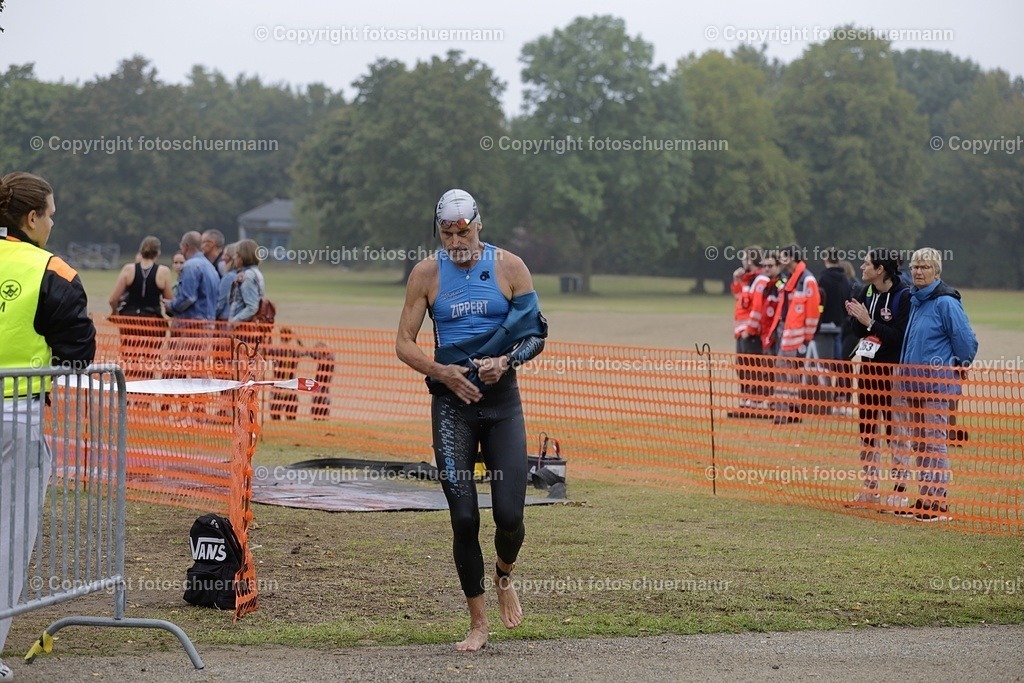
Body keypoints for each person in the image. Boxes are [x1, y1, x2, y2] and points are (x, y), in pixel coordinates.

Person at [396, 189, 547, 652]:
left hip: (502, 405)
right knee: (464, 518)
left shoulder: (509, 267)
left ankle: (504, 575)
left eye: (464, 231)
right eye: (447, 233)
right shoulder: (425, 273)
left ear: (479, 223)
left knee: (509, 515)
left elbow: (537, 333)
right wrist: (440, 371)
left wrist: (506, 362)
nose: (457, 241)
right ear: (438, 231)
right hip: (452, 406)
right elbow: (404, 342)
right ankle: (478, 623)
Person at [1, 171, 96, 680]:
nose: (53, 223)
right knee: (10, 538)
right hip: (16, 415)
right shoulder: (51, 270)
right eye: (51, 214)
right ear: (31, 217)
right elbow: (81, 349)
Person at [894, 248, 978, 521]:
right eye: (915, 266)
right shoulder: (917, 301)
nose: (918, 271)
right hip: (912, 387)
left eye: (925, 267)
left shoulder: (945, 302)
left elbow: (967, 343)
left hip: (936, 387)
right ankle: (924, 496)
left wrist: (954, 369)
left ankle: (937, 500)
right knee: (920, 444)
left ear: (937, 272)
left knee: (934, 442)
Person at [843, 248, 911, 506]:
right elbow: (858, 331)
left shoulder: (903, 296)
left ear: (880, 269)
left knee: (895, 430)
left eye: (866, 263)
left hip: (892, 371)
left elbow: (899, 337)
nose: (861, 267)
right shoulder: (866, 291)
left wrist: (870, 323)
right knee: (867, 428)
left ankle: (899, 489)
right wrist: (857, 318)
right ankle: (870, 487)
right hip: (868, 369)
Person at [763, 244, 820, 424]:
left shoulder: (807, 280)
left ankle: (787, 412)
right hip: (788, 334)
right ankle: (786, 410)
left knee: (789, 374)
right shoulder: (791, 279)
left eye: (783, 257)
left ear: (792, 257)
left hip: (797, 337)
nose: (780, 260)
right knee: (785, 373)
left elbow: (812, 311)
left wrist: (807, 337)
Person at [108, 236, 174, 379]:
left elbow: (113, 299)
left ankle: (129, 394)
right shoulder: (163, 271)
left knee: (129, 358)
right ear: (158, 253)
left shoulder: (128, 269)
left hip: (130, 321)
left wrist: (115, 313)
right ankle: (144, 398)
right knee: (149, 361)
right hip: (152, 322)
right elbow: (169, 301)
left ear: (141, 251)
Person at [728, 246, 765, 417]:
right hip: (741, 330)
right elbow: (741, 300)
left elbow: (757, 307)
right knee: (742, 367)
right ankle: (745, 399)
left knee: (753, 368)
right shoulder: (748, 280)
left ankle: (754, 402)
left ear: (751, 260)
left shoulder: (759, 280)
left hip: (751, 332)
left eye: (744, 258)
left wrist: (749, 329)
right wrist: (737, 281)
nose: (742, 261)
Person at [215, 243, 239, 321]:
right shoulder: (239, 274)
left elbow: (220, 303)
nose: (223, 258)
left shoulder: (229, 277)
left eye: (226, 255)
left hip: (224, 319)